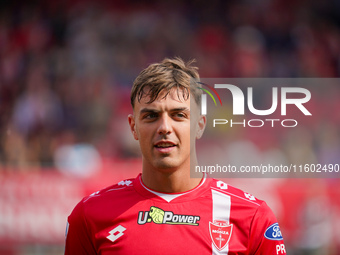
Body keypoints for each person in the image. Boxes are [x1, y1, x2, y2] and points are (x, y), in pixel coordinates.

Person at [65, 57, 286, 254]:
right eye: (151, 116)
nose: (164, 127)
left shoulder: (253, 218)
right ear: (133, 127)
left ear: (200, 125)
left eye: (178, 115)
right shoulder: (90, 215)